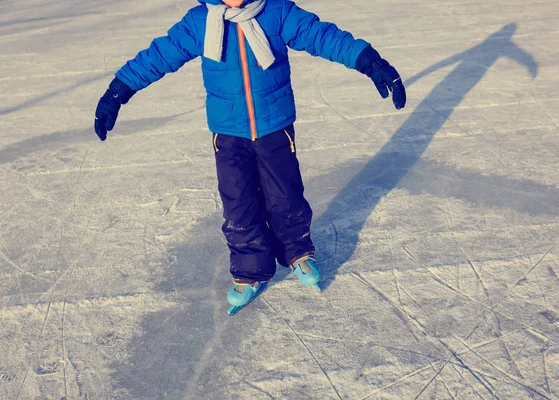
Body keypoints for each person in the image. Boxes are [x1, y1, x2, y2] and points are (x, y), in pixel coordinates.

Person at [94, 0, 406, 314]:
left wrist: (371, 62)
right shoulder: (200, 22)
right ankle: (250, 269)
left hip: (275, 126)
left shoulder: (277, 11)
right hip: (227, 132)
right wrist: (117, 92)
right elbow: (159, 55)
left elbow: (323, 37)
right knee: (238, 203)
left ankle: (298, 252)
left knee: (285, 195)